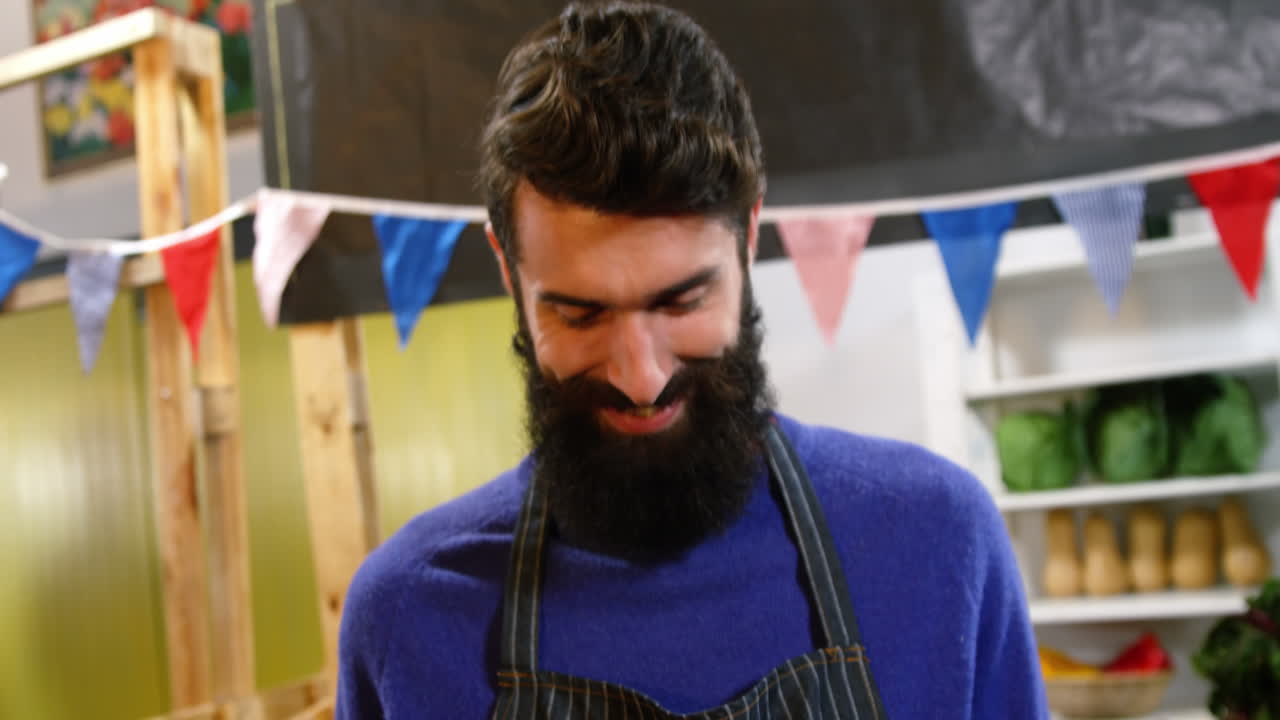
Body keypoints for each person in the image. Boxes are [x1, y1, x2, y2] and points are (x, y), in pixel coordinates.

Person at [336, 2, 1048, 718]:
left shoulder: (938, 547)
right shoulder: (406, 618)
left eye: (681, 303)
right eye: (579, 315)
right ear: (507, 272)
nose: (640, 378)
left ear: (748, 239)